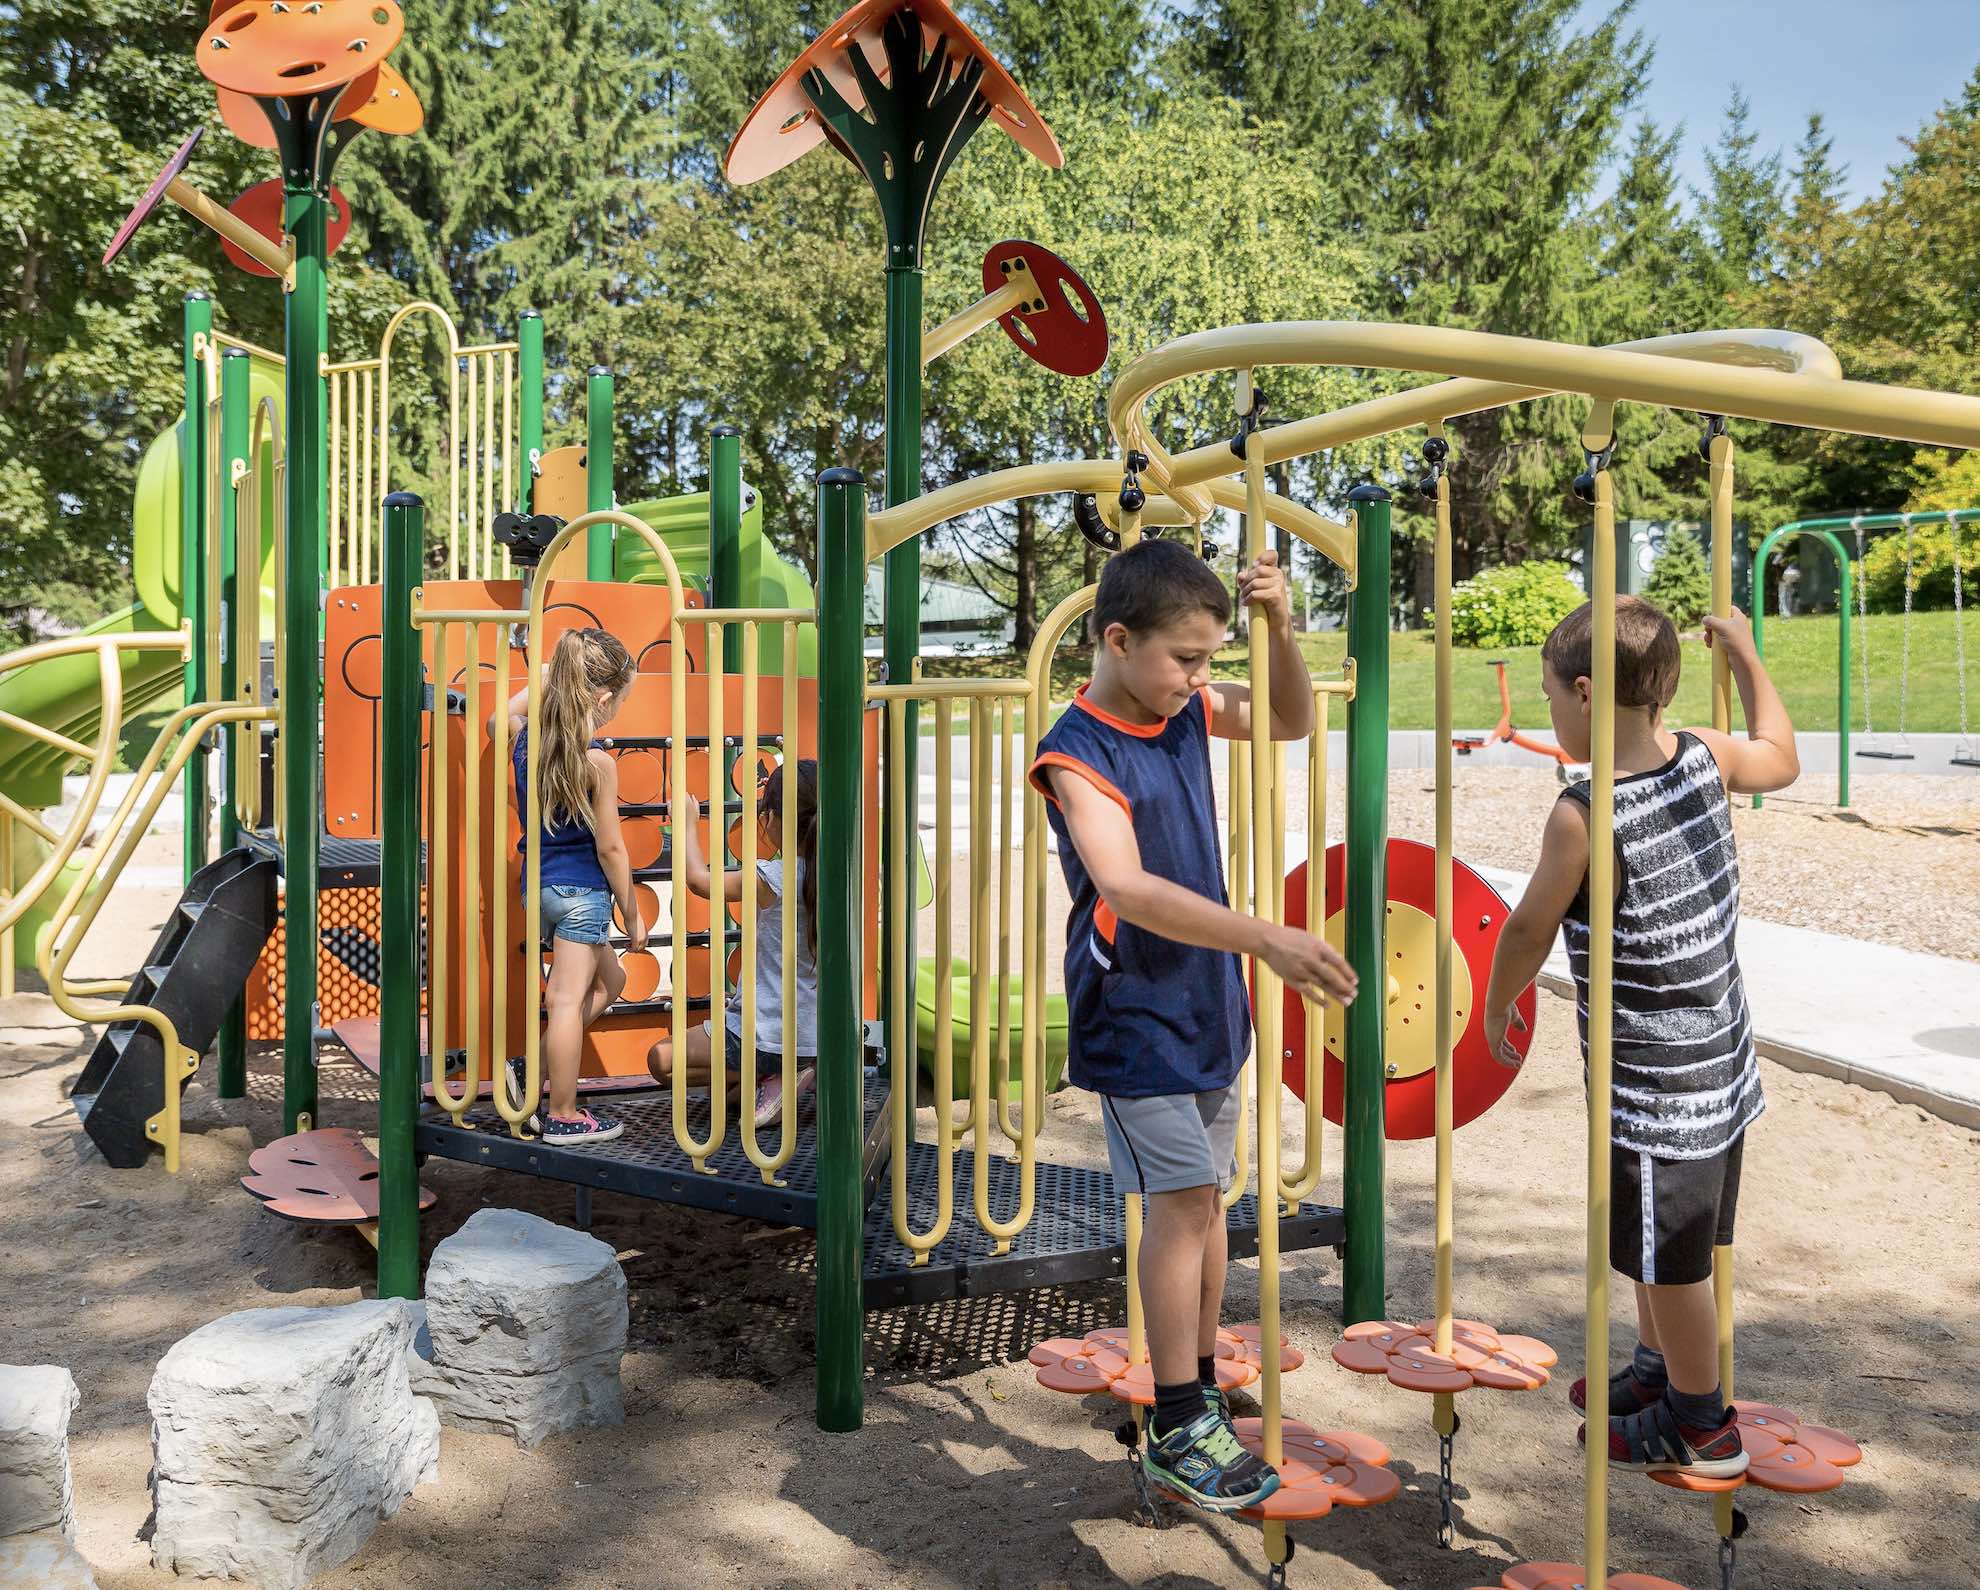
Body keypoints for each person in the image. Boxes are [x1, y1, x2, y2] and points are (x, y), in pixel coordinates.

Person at [1028, 538, 1358, 1514]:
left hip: (1208, 1000)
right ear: (1118, 640)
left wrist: (1280, 628)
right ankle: (1175, 1422)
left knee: (1209, 1206)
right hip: (1136, 1015)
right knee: (1179, 1206)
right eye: (1187, 658)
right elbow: (1124, 886)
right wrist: (1266, 936)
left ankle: (1199, 1387)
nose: (1199, 679)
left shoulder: (1179, 708)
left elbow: (1291, 720)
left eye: (1211, 660)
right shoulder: (1075, 750)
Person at [1482, 597, 1798, 1481]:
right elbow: (1783, 757)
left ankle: (1702, 1423)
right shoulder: (1703, 755)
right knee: (1656, 1244)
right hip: (1722, 1066)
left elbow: (1526, 931)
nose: (1550, 714)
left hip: (1660, 1091)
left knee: (1674, 1266)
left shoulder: (1584, 813)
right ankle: (1661, 1374)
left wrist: (1501, 1005)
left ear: (1584, 693)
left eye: (1550, 698)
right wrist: (1743, 651)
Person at [497, 626, 641, 1145]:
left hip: (539, 890)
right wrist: (634, 912)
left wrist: (537, 684)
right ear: (601, 698)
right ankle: (562, 1112)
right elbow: (611, 848)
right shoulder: (596, 762)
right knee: (565, 1000)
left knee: (612, 984)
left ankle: (532, 1071)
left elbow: (497, 718)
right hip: (583, 896)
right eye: (619, 700)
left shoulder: (525, 742)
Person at [645, 759, 819, 1129]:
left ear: (772, 818)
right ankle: (772, 1080)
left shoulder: (772, 877)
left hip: (763, 1036)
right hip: (814, 1038)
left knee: (660, 1059)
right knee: (722, 1098)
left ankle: (773, 1076)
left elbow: (698, 880)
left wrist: (687, 823)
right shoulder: (838, 876)